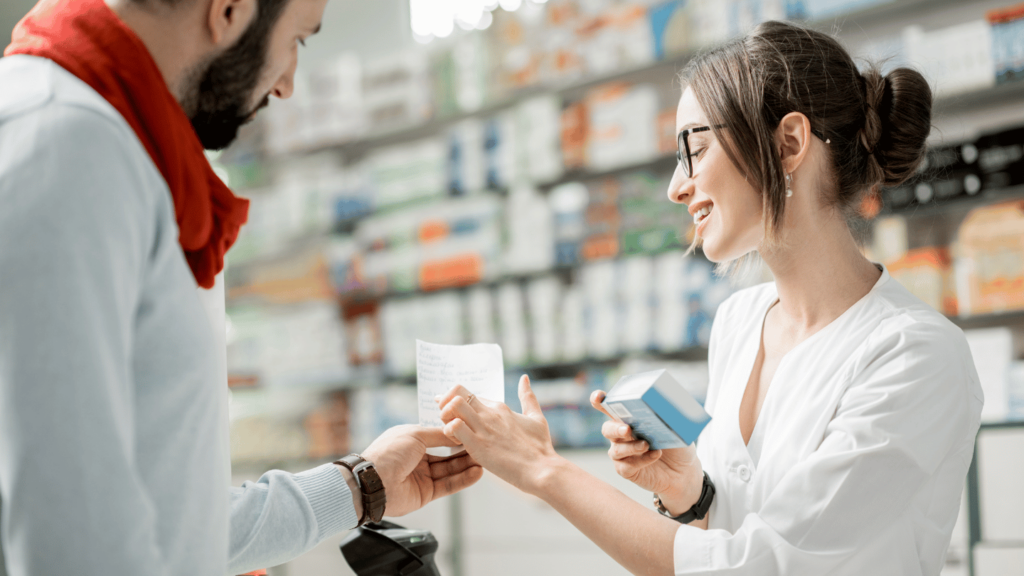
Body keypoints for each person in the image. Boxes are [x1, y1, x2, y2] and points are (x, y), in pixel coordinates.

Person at [436, 20, 983, 575]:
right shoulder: (739, 321)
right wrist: (689, 494)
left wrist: (543, 471)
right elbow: (730, 532)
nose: (677, 186)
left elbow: (757, 565)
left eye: (694, 147)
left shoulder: (914, 354)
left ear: (789, 143)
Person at [0, 0, 482, 574]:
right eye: (297, 41)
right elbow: (74, 545)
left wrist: (360, 488)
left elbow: (173, 520)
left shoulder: (131, 153)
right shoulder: (64, 149)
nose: (287, 85)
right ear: (228, 10)